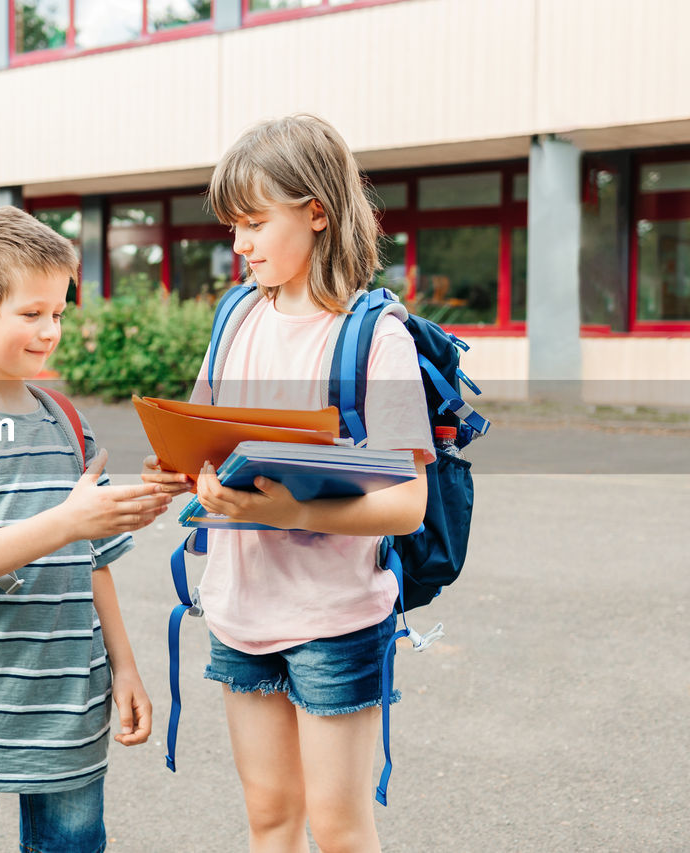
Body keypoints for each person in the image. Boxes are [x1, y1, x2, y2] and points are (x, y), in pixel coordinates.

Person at [142, 115, 434, 853]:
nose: (238, 244)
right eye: (232, 225)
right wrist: (183, 474)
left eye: (252, 221)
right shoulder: (237, 315)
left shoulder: (376, 337)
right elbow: (208, 435)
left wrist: (294, 508)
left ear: (317, 212)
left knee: (337, 829)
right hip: (240, 610)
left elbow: (406, 504)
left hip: (334, 620)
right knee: (269, 820)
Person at [0, 206, 171, 853]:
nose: (52, 330)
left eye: (60, 313)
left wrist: (124, 667)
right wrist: (67, 520)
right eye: (32, 313)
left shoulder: (68, 421)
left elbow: (93, 558)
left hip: (68, 718)